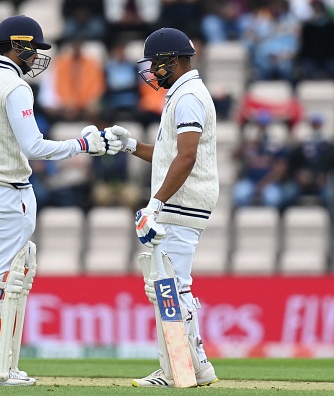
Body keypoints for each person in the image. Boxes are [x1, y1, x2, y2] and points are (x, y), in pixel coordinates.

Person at [0, 15, 120, 387]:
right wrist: (83, 145)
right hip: (5, 189)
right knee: (3, 277)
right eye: (34, 49)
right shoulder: (14, 87)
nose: (37, 57)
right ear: (18, 46)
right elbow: (33, 146)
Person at [106, 27, 219, 387]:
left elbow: (187, 157)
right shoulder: (181, 94)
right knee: (175, 286)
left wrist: (155, 203)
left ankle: (175, 371)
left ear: (173, 60)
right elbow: (167, 156)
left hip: (183, 202)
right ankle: (197, 367)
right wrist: (129, 145)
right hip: (185, 201)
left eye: (157, 63)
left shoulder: (188, 97)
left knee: (170, 286)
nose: (152, 70)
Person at [283, 113, 334, 212]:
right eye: (314, 123)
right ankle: (285, 218)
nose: (316, 125)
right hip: (301, 182)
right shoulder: (301, 142)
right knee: (287, 194)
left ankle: (330, 220)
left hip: (322, 182)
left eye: (318, 123)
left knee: (330, 196)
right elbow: (292, 163)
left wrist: (326, 176)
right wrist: (298, 175)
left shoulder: (330, 144)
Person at [232, 110, 288, 208]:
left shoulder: (275, 145)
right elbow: (233, 156)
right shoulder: (249, 144)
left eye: (264, 125)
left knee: (272, 199)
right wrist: (246, 142)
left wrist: (265, 182)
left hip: (269, 182)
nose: (262, 128)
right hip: (250, 180)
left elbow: (281, 166)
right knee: (240, 196)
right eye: (259, 125)